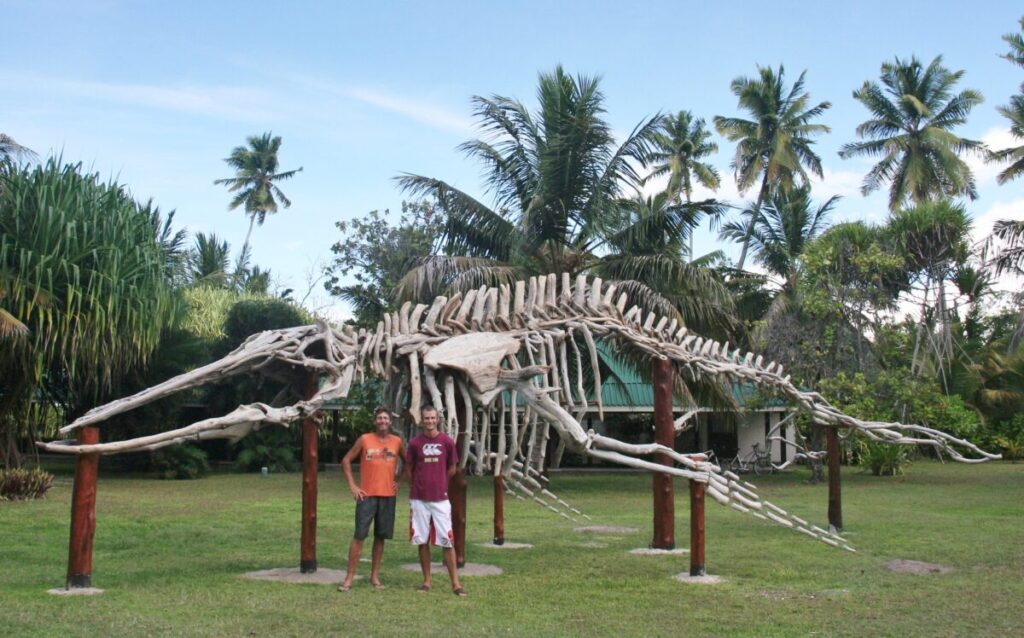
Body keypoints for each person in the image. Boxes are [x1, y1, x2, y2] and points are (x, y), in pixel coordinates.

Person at [338, 407, 404, 592]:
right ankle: (349, 577)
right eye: (379, 418)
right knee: (359, 535)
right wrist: (353, 486)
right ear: (375, 422)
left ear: (390, 422)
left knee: (380, 537)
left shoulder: (397, 442)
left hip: (387, 496)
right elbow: (346, 460)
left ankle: (374, 576)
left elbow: (409, 462)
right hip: (366, 496)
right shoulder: (365, 439)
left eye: (386, 418)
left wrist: (399, 482)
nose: (383, 421)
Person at [405, 405, 466, 597]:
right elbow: (409, 467)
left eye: (432, 418)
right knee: (422, 541)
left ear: (437, 419)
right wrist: (417, 484)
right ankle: (426, 581)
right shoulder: (415, 443)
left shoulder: (447, 442)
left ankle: (456, 584)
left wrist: (440, 482)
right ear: (421, 420)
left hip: (440, 500)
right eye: (426, 418)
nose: (429, 421)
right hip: (419, 500)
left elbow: (453, 468)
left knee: (447, 541)